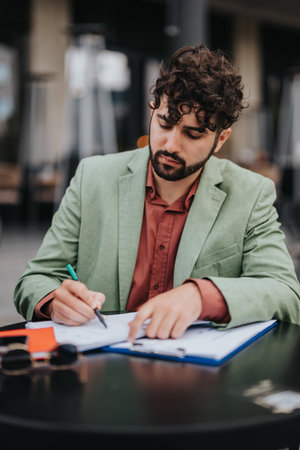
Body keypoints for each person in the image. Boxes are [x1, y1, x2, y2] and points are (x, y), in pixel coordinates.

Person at [14, 43, 300, 341]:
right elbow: (35, 279)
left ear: (220, 139)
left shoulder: (251, 193)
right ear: (153, 111)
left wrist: (200, 295)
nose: (171, 144)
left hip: (198, 378)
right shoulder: (93, 177)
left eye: (193, 133)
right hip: (100, 373)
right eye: (165, 123)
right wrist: (53, 300)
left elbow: (285, 293)